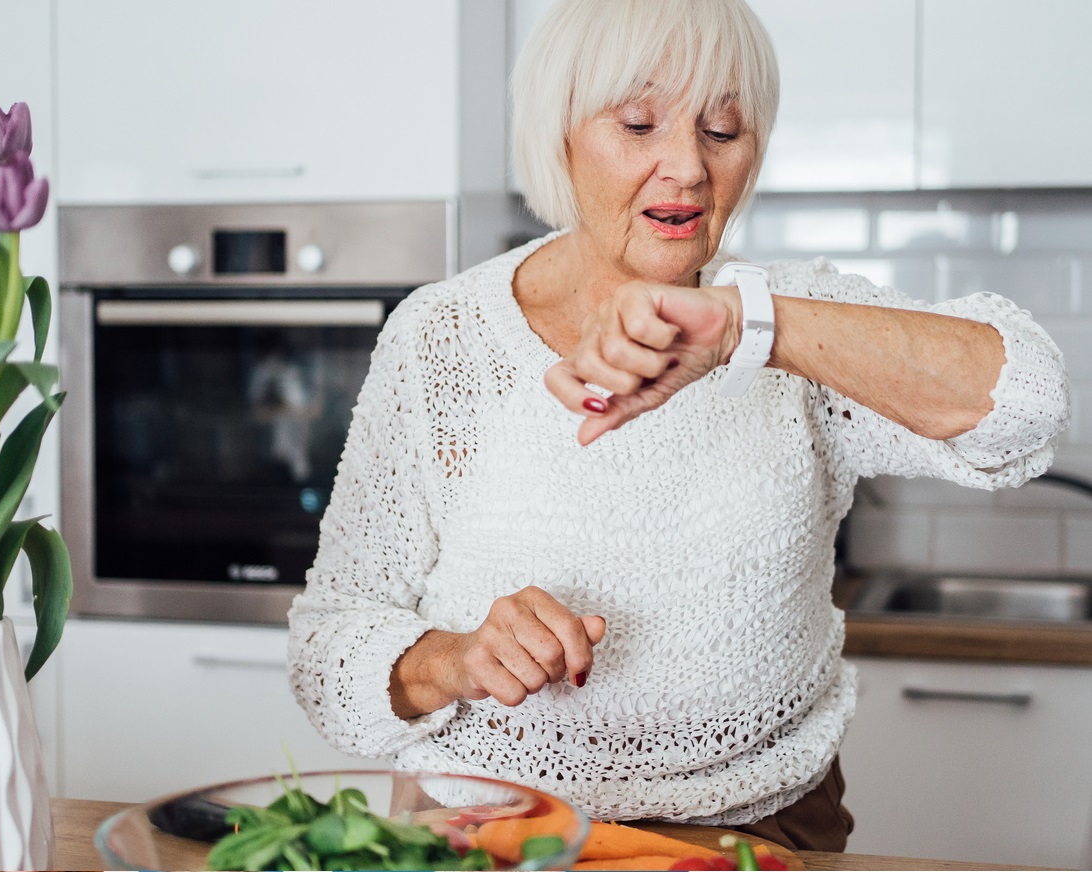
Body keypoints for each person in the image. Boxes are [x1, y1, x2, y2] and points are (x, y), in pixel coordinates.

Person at [286, 0, 1069, 852]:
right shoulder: (441, 337)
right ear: (562, 133)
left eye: (723, 130)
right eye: (639, 123)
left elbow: (1025, 405)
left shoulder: (786, 321)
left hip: (757, 834)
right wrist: (458, 658)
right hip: (491, 831)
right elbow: (328, 650)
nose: (688, 168)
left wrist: (749, 328)